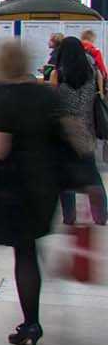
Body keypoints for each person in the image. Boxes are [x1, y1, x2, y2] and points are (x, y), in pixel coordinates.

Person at [0, 39, 87, 345]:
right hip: (46, 186)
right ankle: (34, 317)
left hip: (16, 188)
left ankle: (31, 323)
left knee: (25, 253)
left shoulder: (6, 100)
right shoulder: (47, 94)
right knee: (32, 248)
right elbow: (74, 134)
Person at [50, 37, 108, 226]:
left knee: (65, 175)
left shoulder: (57, 75)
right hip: (86, 129)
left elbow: (54, 102)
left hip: (65, 130)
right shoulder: (91, 74)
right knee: (92, 174)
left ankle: (70, 217)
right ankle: (100, 215)